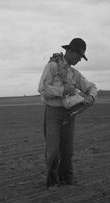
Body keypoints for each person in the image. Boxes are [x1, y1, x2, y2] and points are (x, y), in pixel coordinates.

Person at [38, 38, 97, 189]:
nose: (79, 60)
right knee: (53, 150)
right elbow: (42, 88)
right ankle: (52, 183)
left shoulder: (74, 74)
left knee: (67, 150)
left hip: (69, 113)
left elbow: (90, 87)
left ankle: (66, 180)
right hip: (53, 112)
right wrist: (64, 90)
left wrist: (91, 97)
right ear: (70, 51)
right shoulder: (52, 67)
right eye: (78, 56)